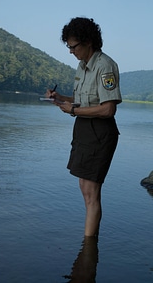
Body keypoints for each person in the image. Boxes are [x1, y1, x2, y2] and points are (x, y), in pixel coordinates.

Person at [46, 17, 122, 237]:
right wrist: (59, 98)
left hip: (99, 133)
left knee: (91, 191)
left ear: (88, 41)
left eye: (73, 46)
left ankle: (89, 245)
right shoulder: (82, 66)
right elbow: (84, 100)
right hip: (83, 130)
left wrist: (72, 110)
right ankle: (88, 245)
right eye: (68, 46)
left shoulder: (105, 66)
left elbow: (108, 109)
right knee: (85, 188)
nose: (70, 51)